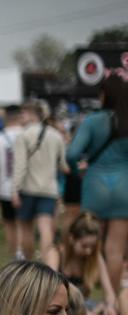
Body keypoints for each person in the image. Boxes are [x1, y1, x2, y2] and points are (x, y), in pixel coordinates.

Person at [67, 73, 128, 297]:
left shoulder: (92, 121)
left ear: (103, 95)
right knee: (116, 252)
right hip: (124, 188)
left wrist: (77, 172)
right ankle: (111, 304)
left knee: (89, 245)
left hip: (95, 186)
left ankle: (83, 298)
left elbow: (72, 153)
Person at [12, 101, 67, 266]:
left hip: (28, 188)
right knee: (45, 229)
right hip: (49, 189)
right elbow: (63, 165)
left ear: (30, 114)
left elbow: (20, 166)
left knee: (26, 228)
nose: (21, 117)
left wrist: (15, 189)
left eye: (23, 113)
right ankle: (47, 266)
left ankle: (29, 265)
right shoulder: (56, 135)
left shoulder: (23, 135)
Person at [51, 213, 119, 315]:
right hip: (60, 304)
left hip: (84, 304)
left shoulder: (94, 257)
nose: (88, 251)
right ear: (72, 239)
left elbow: (109, 293)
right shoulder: (56, 253)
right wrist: (83, 314)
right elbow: (50, 287)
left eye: (92, 246)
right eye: (84, 246)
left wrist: (110, 306)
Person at [0, 106, 23, 259]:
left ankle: (14, 254)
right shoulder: (26, 135)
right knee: (24, 223)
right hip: (24, 187)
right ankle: (23, 253)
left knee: (9, 224)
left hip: (4, 188)